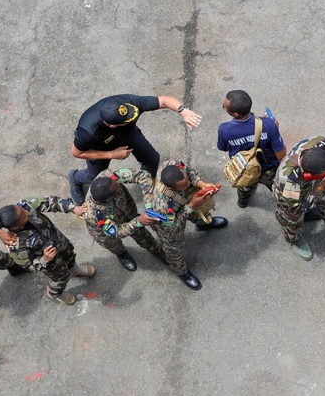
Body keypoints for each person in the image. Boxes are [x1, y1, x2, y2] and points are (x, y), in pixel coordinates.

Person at [67, 94, 203, 205]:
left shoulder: (127, 103)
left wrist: (183, 110)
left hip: (128, 135)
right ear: (113, 125)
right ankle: (74, 177)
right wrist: (111, 154)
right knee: (94, 178)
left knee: (152, 159)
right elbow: (77, 152)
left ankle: (146, 182)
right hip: (100, 148)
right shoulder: (87, 132)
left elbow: (163, 100)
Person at [0, 196, 96, 305]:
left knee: (70, 256)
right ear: (16, 227)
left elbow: (51, 202)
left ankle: (74, 269)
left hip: (59, 242)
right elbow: (27, 265)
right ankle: (55, 293)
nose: (27, 212)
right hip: (51, 263)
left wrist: (72, 208)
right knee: (60, 278)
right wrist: (44, 260)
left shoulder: (25, 206)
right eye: (24, 215)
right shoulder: (16, 244)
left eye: (23, 210)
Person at [146, 159, 227, 290]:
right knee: (173, 249)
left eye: (187, 180)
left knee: (197, 210)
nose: (189, 183)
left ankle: (203, 224)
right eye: (185, 185)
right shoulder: (160, 207)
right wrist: (191, 206)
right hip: (168, 224)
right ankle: (181, 272)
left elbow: (189, 171)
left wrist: (201, 184)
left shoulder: (172, 164)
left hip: (183, 201)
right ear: (170, 188)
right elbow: (172, 229)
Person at [79, 168, 164, 271]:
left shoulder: (110, 176)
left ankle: (155, 249)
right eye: (117, 188)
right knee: (114, 245)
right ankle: (122, 254)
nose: (119, 183)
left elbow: (143, 175)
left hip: (128, 211)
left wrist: (149, 206)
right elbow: (116, 233)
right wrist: (138, 222)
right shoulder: (94, 215)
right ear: (109, 199)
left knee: (141, 234)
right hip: (106, 233)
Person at [216, 89, 286, 208]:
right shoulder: (268, 125)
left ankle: (243, 202)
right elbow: (281, 156)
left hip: (243, 169)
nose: (224, 107)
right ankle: (286, 206)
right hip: (268, 169)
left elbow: (222, 148)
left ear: (236, 114)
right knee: (280, 191)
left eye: (225, 107)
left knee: (245, 187)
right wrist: (273, 128)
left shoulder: (224, 129)